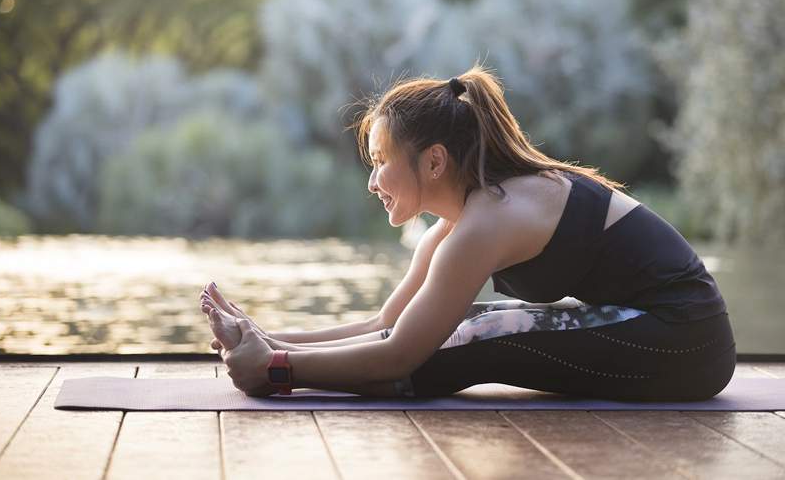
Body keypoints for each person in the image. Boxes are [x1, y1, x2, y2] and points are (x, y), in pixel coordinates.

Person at [200, 64, 735, 400]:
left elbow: (399, 354)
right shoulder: (465, 217)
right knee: (466, 323)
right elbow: (391, 323)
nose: (372, 181)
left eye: (381, 160)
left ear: (434, 161)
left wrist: (274, 372)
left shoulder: (488, 220)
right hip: (658, 329)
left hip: (687, 341)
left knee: (479, 333)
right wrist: (268, 337)